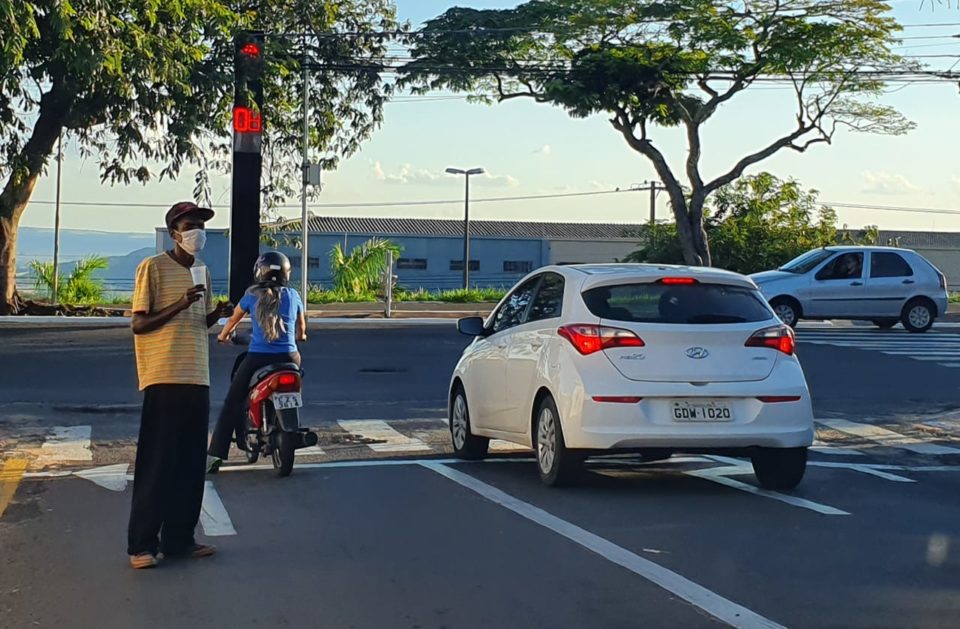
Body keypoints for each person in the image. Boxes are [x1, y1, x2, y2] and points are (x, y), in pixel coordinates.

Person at [127, 201, 227, 570]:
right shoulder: (152, 268)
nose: (197, 231)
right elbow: (139, 324)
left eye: (201, 225)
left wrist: (215, 315)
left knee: (188, 465)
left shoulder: (202, 271)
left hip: (197, 377)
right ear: (173, 232)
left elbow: (199, 324)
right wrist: (180, 305)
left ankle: (180, 540)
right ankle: (141, 545)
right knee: (158, 463)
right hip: (164, 376)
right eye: (190, 224)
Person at [206, 251, 307, 473]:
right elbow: (302, 333)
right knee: (298, 380)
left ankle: (215, 456)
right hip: (290, 357)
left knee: (232, 402)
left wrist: (223, 337)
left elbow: (232, 321)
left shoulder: (252, 295)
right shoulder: (294, 296)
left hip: (258, 357)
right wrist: (295, 336)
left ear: (259, 272)